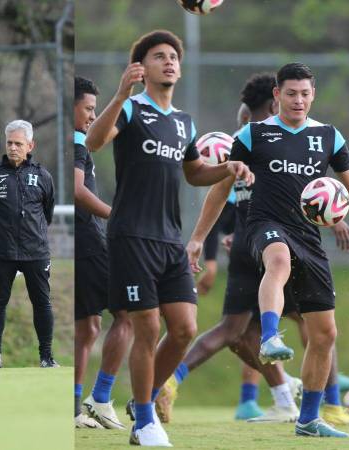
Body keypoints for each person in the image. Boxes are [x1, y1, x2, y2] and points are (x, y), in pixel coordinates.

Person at [85, 30, 253, 446]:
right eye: (159, 56)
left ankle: (141, 401)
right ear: (141, 68)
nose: (170, 61)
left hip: (169, 240)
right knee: (146, 326)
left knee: (183, 328)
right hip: (131, 236)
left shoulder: (183, 122)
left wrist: (229, 168)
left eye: (174, 56)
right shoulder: (131, 110)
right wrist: (121, 95)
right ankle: (145, 421)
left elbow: (194, 172)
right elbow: (93, 142)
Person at [228, 63, 349, 437]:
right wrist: (198, 237)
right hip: (263, 225)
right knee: (277, 260)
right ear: (277, 94)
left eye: (305, 93)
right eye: (290, 93)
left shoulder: (328, 136)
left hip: (308, 237)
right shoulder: (254, 133)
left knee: (324, 334)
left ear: (313, 95)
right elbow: (220, 184)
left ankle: (309, 419)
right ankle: (271, 336)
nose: (298, 100)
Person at [73, 76, 132, 429]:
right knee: (129, 313)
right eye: (89, 109)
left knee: (88, 327)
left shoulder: (77, 140)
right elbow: (79, 191)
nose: (94, 116)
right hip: (89, 239)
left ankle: (75, 408)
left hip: (83, 239)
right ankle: (102, 397)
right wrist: (115, 214)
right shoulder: (78, 140)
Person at [0, 119, 57, 369]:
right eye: (9, 143)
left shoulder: (43, 176)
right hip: (1, 251)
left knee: (42, 302)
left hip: (35, 250)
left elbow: (48, 212)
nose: (13, 148)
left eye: (18, 143)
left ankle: (46, 356)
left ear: (30, 145)